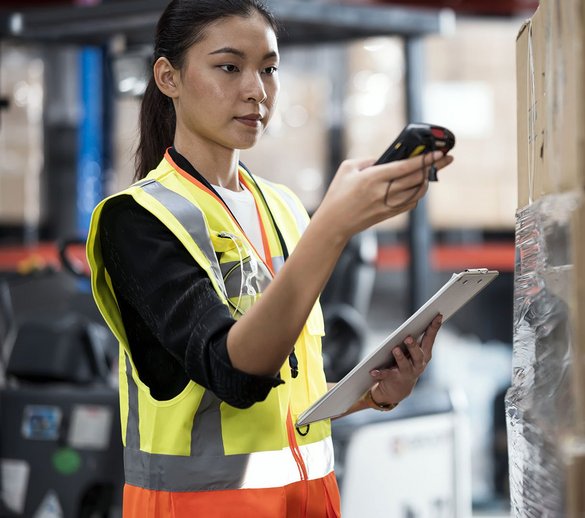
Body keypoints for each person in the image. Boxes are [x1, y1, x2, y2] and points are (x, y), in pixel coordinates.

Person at [85, 1, 453, 516]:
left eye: (269, 68)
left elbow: (285, 395)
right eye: (229, 67)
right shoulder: (137, 221)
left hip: (309, 502)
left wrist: (371, 394)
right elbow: (236, 374)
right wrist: (334, 225)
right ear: (169, 78)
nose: (257, 90)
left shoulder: (282, 208)